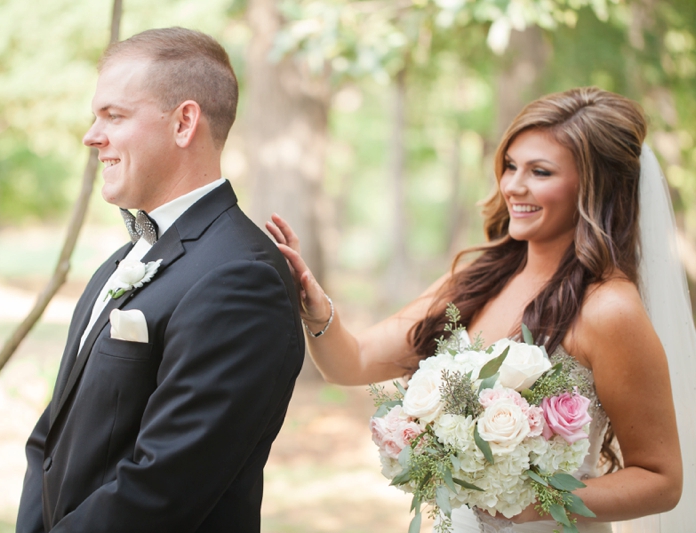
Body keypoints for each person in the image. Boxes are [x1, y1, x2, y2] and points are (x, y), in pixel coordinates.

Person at [267, 87, 695, 532]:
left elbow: (661, 480)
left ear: (594, 187)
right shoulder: (476, 279)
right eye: (510, 166)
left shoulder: (609, 310)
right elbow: (351, 362)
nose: (513, 185)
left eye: (540, 172)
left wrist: (536, 499)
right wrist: (316, 313)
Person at [16, 27, 304, 533]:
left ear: (183, 123)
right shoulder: (124, 258)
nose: (91, 135)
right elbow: (49, 442)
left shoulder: (241, 278)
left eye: (114, 115)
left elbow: (161, 491)